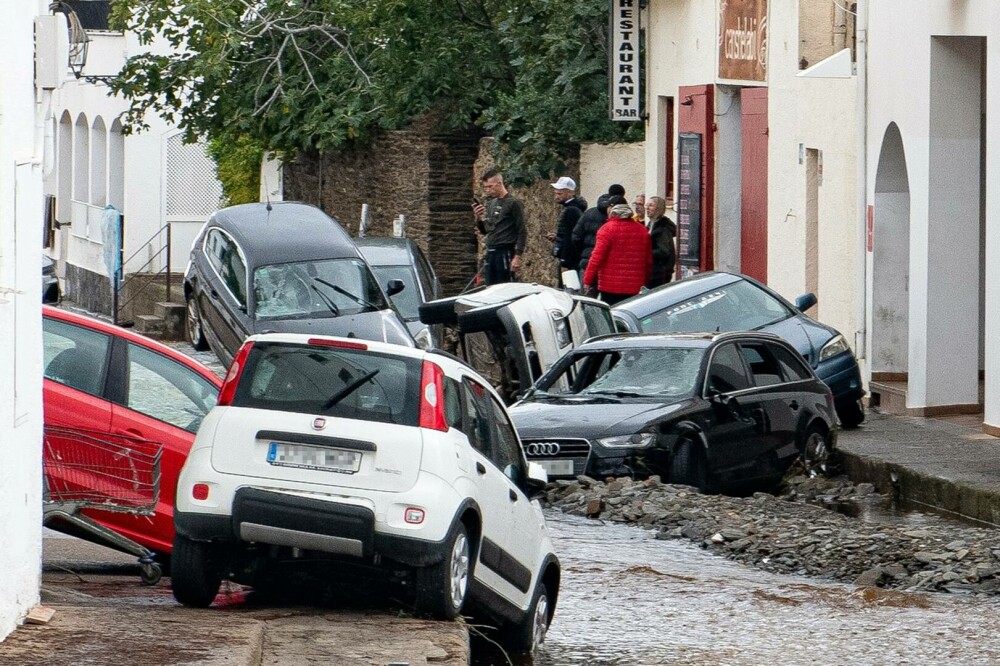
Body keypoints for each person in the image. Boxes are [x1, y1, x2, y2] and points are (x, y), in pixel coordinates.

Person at [582, 203, 652, 305]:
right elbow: (648, 261)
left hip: (609, 286)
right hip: (635, 286)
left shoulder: (606, 229)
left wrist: (587, 280)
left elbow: (596, 258)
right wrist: (645, 280)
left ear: (612, 214)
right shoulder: (642, 230)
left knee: (612, 313)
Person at [472, 169, 526, 285]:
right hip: (491, 251)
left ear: (499, 183)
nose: (488, 190)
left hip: (505, 250)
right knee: (490, 286)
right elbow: (486, 230)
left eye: (490, 186)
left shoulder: (513, 203)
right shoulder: (491, 203)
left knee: (504, 285)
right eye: (485, 187)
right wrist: (478, 218)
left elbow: (522, 230)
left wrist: (517, 256)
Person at [545, 176, 587, 279]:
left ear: (570, 193)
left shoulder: (571, 210)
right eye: (555, 193)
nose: (556, 196)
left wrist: (565, 262)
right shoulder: (574, 208)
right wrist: (558, 236)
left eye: (560, 194)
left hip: (571, 260)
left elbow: (570, 238)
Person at [646, 196, 677, 288]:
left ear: (658, 208)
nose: (647, 208)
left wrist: (646, 253)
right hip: (653, 270)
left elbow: (664, 251)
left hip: (660, 272)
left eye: (651, 205)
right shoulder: (651, 223)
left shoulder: (663, 227)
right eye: (647, 205)